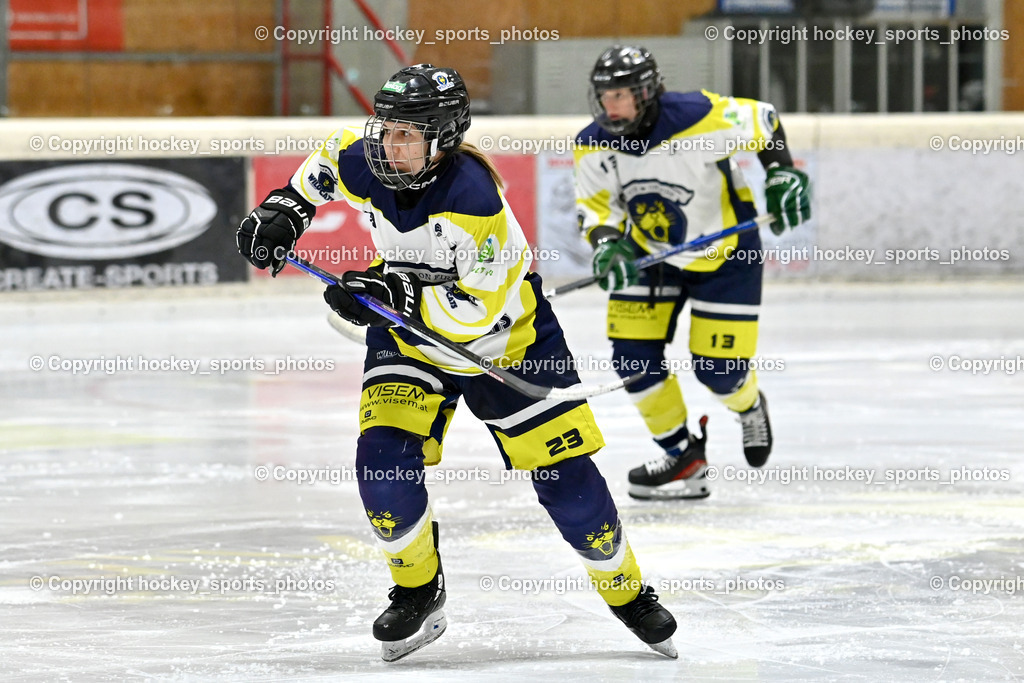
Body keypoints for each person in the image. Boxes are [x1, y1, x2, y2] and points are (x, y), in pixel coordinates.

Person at [236, 64, 678, 662]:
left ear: (443, 138)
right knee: (382, 464)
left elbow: (472, 315)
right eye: (385, 128)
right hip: (410, 338)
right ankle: (418, 590)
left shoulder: (474, 200)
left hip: (510, 341)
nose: (389, 144)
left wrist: (392, 295)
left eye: (407, 135)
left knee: (571, 490)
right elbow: (320, 168)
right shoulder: (364, 154)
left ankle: (626, 592)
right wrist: (284, 209)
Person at [574, 46, 811, 501]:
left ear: (646, 92)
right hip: (651, 256)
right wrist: (605, 242)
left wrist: (781, 174)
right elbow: (596, 206)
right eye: (604, 96)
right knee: (632, 362)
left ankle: (748, 406)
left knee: (719, 372)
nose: (610, 107)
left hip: (726, 256)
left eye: (620, 95)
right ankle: (683, 455)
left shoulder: (699, 116)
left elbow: (765, 121)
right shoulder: (593, 141)